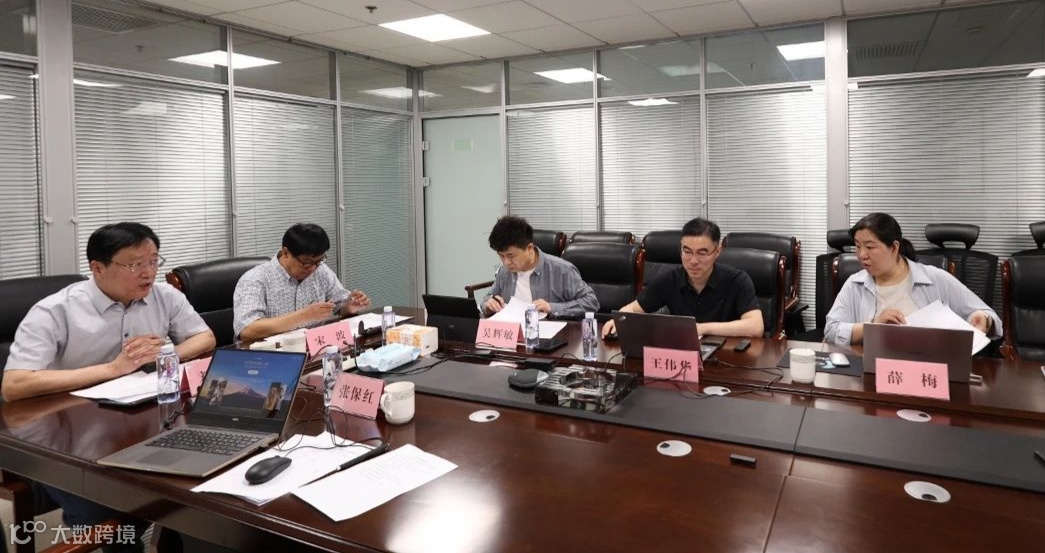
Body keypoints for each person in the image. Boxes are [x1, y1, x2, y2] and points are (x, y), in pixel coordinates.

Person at [2, 222, 217, 552]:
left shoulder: (164, 296)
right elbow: (14, 385)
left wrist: (166, 354)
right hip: (66, 440)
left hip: (139, 424)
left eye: (153, 261)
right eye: (135, 264)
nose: (148, 273)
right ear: (97, 268)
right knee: (111, 511)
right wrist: (113, 369)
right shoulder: (55, 310)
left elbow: (205, 337)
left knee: (195, 480)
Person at [825, 212, 1001, 346]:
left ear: (894, 248)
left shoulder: (935, 278)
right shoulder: (855, 284)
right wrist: (873, 328)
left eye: (870, 247)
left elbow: (990, 316)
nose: (861, 255)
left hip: (929, 367)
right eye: (857, 247)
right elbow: (831, 331)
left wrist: (983, 319)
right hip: (873, 369)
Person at [602, 218, 764, 338]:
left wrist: (702, 328)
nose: (693, 261)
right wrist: (618, 320)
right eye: (687, 251)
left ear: (717, 252)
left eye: (702, 253)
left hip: (726, 357)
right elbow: (632, 309)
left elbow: (756, 326)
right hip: (682, 356)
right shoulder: (669, 280)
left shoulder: (737, 280)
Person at [233, 223, 371, 342]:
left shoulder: (321, 271)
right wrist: (305, 316)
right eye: (306, 263)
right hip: (271, 356)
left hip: (315, 348)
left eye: (318, 261)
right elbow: (247, 330)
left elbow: (340, 306)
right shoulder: (255, 279)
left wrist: (350, 306)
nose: (312, 268)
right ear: (286, 253)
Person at [481, 216, 599, 319]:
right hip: (512, 332)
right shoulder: (504, 271)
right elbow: (488, 298)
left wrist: (551, 307)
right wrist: (488, 304)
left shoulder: (562, 270)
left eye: (511, 256)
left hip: (549, 332)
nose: (506, 262)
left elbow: (591, 302)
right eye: (501, 256)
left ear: (529, 248)